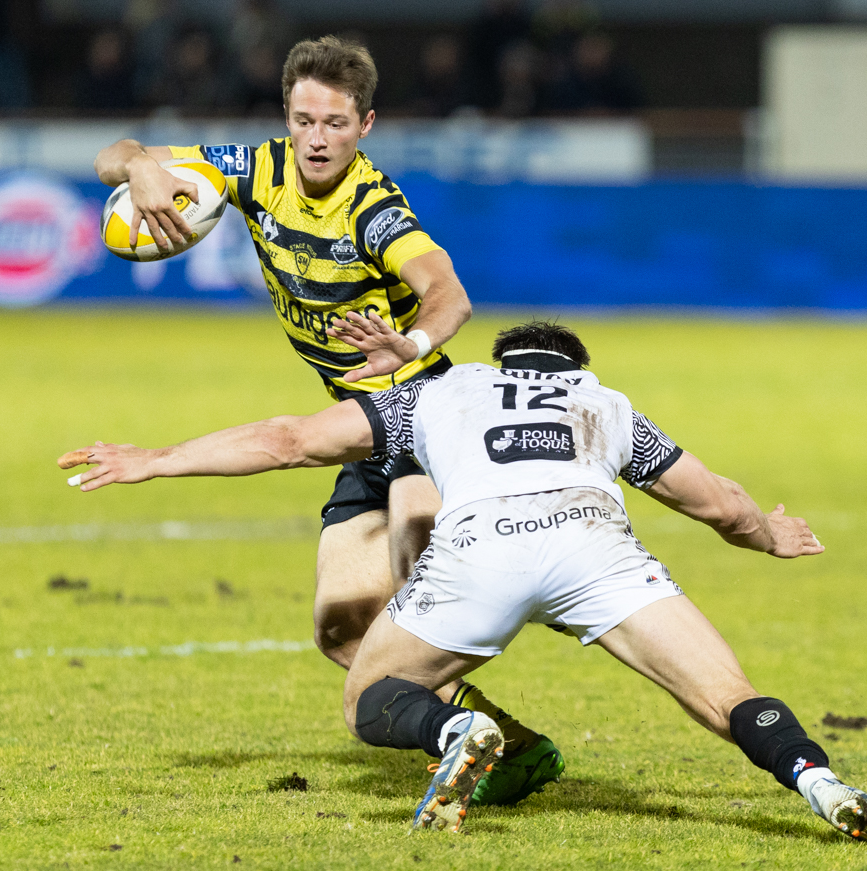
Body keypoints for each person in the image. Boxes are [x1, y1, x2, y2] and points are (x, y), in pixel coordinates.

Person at [58, 320, 867, 842]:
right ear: (571, 367)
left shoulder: (440, 390)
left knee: (370, 691)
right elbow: (720, 504)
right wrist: (772, 535)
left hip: (482, 553)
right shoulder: (604, 401)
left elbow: (289, 438)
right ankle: (822, 783)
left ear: (507, 360)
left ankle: (458, 729)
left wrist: (158, 460)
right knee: (726, 695)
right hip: (596, 551)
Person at [91, 36, 564, 807]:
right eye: (305, 119)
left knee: (421, 607)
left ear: (365, 125)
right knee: (343, 635)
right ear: (287, 116)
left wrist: (408, 343)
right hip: (358, 427)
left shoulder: (375, 209)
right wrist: (144, 165)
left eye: (336, 124)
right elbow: (112, 153)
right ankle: (508, 748)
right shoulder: (256, 169)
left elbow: (449, 294)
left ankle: (534, 616)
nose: (318, 138)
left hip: (423, 422)